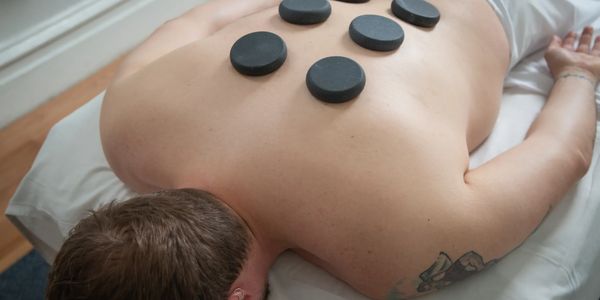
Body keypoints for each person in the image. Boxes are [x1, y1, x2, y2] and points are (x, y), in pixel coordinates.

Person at [46, 0, 600, 299]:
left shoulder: (400, 256)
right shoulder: (125, 123)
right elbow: (198, 18)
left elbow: (563, 154)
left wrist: (577, 74)